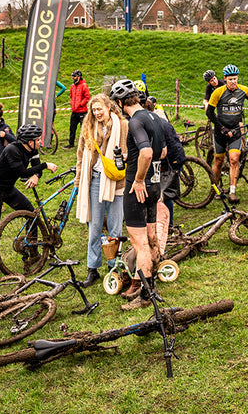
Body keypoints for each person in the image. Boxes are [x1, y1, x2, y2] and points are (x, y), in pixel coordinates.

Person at [111, 78, 165, 310]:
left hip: (138, 188)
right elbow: (161, 152)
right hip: (155, 184)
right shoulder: (154, 116)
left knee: (139, 243)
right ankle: (151, 286)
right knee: (152, 238)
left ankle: (145, 296)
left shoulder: (135, 121)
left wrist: (139, 178)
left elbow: (147, 152)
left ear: (122, 102)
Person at [0, 123, 56, 273]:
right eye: (38, 139)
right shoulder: (12, 150)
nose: (40, 141)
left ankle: (34, 253)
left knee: (31, 214)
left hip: (8, 187)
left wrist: (36, 175)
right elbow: (22, 172)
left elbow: (34, 168)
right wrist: (44, 166)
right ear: (30, 142)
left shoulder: (33, 150)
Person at [73, 93, 127, 288]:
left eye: (100, 109)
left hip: (116, 181)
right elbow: (80, 155)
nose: (97, 113)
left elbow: (128, 149)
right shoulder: (88, 126)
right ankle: (92, 268)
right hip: (94, 180)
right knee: (95, 227)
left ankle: (115, 267)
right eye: (93, 110)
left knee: (115, 228)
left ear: (109, 108)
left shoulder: (122, 125)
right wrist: (79, 179)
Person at [206, 64, 248, 201]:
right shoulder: (218, 92)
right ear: (225, 79)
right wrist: (221, 128)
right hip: (220, 131)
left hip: (235, 130)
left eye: (235, 79)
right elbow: (209, 112)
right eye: (230, 79)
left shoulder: (244, 90)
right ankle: (215, 189)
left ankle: (232, 192)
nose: (233, 82)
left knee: (234, 160)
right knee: (218, 161)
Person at [146, 94, 185, 251]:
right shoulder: (154, 123)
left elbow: (170, 147)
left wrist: (174, 165)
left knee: (165, 194)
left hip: (170, 162)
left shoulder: (159, 125)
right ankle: (163, 223)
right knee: (161, 194)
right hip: (166, 162)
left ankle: (169, 225)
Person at [67, 69, 91, 149]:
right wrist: (72, 104)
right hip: (74, 111)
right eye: (72, 76)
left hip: (82, 111)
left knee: (84, 129)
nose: (73, 78)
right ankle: (71, 144)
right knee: (72, 128)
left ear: (79, 77)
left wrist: (81, 104)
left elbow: (87, 97)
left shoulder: (84, 85)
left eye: (74, 76)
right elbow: (71, 96)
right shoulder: (72, 86)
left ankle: (85, 145)